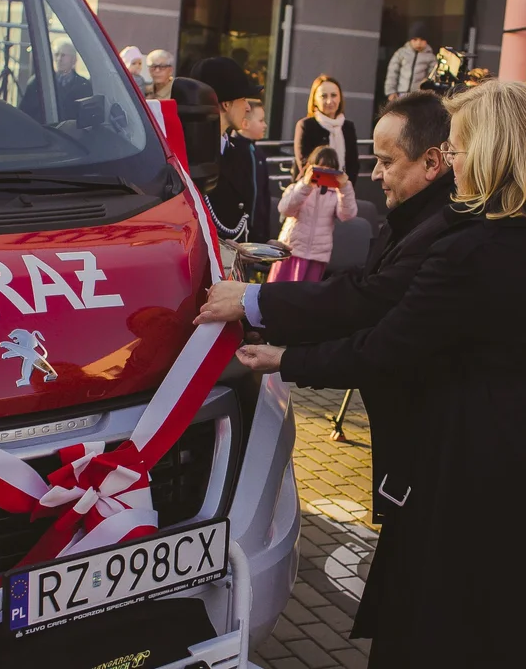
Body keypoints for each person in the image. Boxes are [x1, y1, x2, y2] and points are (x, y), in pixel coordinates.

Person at [228, 79, 526, 667]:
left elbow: (386, 349)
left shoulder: (473, 251)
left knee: (449, 624)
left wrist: (286, 358)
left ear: (490, 153)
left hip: (480, 465)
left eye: (460, 151)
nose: (454, 167)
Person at [195, 91, 455, 498]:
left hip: (429, 450)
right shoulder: (419, 217)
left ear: (432, 161)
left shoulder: (442, 228)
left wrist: (259, 309)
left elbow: (370, 310)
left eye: (387, 162)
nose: (376, 173)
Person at [189, 56, 268, 240]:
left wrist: (260, 243)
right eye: (242, 99)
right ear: (226, 104)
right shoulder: (189, 153)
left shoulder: (236, 151)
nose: (248, 107)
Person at [267, 146, 358, 283]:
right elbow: (285, 209)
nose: (324, 173)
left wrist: (345, 188)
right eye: (320, 168)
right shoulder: (297, 188)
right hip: (291, 251)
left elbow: (347, 215)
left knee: (305, 297)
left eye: (330, 169)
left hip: (317, 256)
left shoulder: (336, 195)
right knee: (278, 292)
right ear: (310, 167)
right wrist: (306, 185)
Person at [292, 75, 360, 187]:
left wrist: (345, 188)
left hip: (341, 191)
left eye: (334, 95)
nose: (329, 101)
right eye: (323, 96)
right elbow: (304, 163)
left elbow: (353, 164)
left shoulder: (348, 127)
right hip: (310, 190)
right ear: (314, 100)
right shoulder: (306, 125)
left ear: (340, 98)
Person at [18, 40, 93, 123]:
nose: (59, 59)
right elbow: (24, 114)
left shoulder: (84, 86)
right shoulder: (38, 82)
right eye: (56, 55)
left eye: (63, 55)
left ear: (74, 60)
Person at [235, 98, 273, 241]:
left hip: (256, 233)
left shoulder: (258, 153)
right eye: (261, 120)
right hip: (239, 233)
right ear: (245, 124)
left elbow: (263, 196)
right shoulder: (233, 150)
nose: (265, 125)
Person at [384, 22, 436, 100]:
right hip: (400, 93)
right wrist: (391, 91)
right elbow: (392, 73)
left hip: (419, 96)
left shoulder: (430, 57)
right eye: (415, 39)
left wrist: (427, 85)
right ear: (410, 40)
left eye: (422, 40)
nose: (418, 43)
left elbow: (433, 74)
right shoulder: (401, 53)